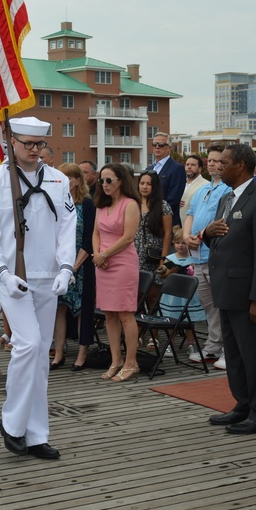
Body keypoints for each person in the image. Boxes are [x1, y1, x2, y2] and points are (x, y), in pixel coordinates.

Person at [0, 117, 75, 459]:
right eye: (27, 144)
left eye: (40, 145)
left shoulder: (58, 179)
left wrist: (66, 268)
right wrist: (3, 274)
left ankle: (36, 434)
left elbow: (66, 227)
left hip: (48, 276)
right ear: (11, 141)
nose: (34, 151)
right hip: (11, 277)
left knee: (40, 356)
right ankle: (13, 423)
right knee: (28, 344)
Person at [204, 143, 256, 435]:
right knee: (235, 355)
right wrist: (206, 234)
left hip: (249, 294)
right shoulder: (227, 199)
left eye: (224, 163)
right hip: (227, 290)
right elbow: (223, 238)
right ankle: (243, 404)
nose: (219, 167)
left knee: (255, 356)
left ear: (241, 165)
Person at [92, 163, 142, 382]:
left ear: (121, 181)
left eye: (109, 180)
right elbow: (96, 233)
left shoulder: (130, 204)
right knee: (109, 313)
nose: (104, 184)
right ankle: (115, 360)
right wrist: (97, 255)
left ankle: (132, 362)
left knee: (125, 313)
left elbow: (128, 237)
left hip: (122, 263)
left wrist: (105, 254)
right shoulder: (101, 206)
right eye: (102, 180)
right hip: (103, 264)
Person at [183, 144, 231, 367]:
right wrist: (186, 236)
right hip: (197, 255)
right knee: (209, 306)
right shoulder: (203, 189)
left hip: (216, 255)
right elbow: (190, 214)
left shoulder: (228, 189)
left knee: (224, 304)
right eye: (209, 160)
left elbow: (223, 221)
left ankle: (229, 349)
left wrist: (201, 235)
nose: (211, 163)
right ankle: (214, 345)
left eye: (216, 160)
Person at [51, 162, 96, 371]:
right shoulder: (55, 202)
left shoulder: (87, 205)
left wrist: (75, 266)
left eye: (68, 177)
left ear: (78, 180)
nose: (64, 181)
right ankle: (59, 352)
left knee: (81, 310)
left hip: (81, 265)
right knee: (59, 309)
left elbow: (89, 240)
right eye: (60, 176)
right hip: (59, 265)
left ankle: (82, 353)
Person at [156, 226, 203, 362]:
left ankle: (191, 344)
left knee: (189, 321)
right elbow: (164, 275)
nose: (180, 245)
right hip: (173, 296)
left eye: (183, 242)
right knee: (171, 319)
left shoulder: (194, 259)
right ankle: (170, 343)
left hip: (188, 296)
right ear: (173, 244)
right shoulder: (170, 258)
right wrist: (168, 272)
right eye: (177, 243)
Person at [135, 171, 172, 310]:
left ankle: (154, 331)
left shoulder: (163, 206)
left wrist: (163, 258)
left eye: (148, 184)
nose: (144, 187)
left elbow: (168, 234)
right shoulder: (133, 204)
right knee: (136, 296)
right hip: (134, 255)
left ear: (155, 186)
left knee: (152, 297)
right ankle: (138, 331)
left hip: (153, 257)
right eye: (142, 183)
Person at [147, 132, 186, 227]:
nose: (157, 147)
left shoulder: (177, 168)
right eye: (154, 144)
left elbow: (173, 199)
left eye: (161, 145)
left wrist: (153, 212)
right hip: (149, 221)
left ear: (169, 148)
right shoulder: (148, 169)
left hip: (167, 222)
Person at [180, 154, 209, 224]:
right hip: (176, 227)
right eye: (187, 165)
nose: (189, 167)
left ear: (200, 169)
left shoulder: (206, 185)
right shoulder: (179, 183)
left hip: (193, 226)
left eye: (193, 165)